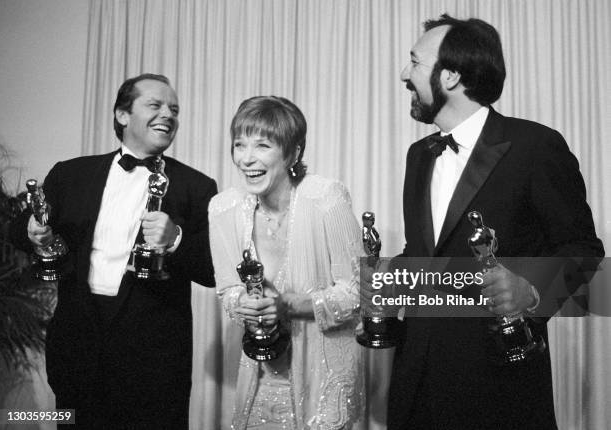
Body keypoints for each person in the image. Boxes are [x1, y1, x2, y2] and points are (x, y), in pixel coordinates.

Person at [388, 14, 605, 429]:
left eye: (414, 62)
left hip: (498, 388)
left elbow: (585, 253)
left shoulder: (535, 146)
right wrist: (382, 283)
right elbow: (425, 256)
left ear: (450, 76)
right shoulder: (419, 156)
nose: (404, 74)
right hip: (415, 383)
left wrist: (531, 290)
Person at [10, 73, 217, 429]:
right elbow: (19, 229)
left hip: (154, 367)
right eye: (155, 105)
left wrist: (177, 239)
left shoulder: (197, 186)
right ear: (122, 114)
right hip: (77, 354)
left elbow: (214, 270)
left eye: (175, 110)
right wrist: (31, 230)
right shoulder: (71, 174)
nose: (168, 115)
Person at [209, 96, 365, 429]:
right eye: (239, 145)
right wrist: (245, 305)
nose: (246, 158)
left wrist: (289, 305)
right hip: (260, 380)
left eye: (262, 145)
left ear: (293, 153)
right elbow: (228, 292)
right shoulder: (223, 210)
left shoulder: (325, 198)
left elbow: (360, 291)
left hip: (322, 378)